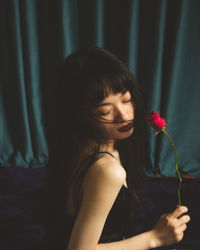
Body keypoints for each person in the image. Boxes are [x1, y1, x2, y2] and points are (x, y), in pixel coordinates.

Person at [46, 47, 190, 250]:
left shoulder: (76, 146)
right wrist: (155, 238)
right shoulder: (107, 171)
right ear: (80, 115)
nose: (123, 115)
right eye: (105, 110)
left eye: (126, 99)